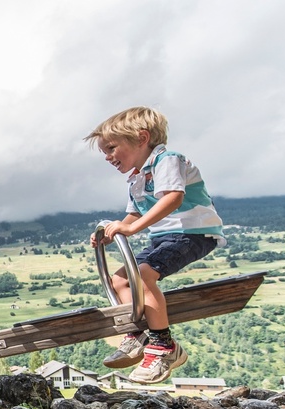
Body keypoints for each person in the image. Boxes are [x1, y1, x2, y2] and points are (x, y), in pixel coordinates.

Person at [85, 106, 225, 384]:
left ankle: (163, 347)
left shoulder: (168, 160)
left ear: (141, 138)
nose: (108, 157)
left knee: (145, 276)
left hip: (192, 232)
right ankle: (139, 332)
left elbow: (173, 197)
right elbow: (136, 213)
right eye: (104, 152)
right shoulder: (137, 178)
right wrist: (114, 231)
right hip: (164, 237)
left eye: (111, 148)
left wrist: (131, 228)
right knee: (120, 281)